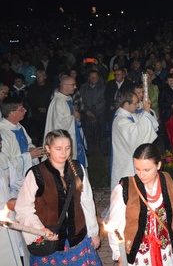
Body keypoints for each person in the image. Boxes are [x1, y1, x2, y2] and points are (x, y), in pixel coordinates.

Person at [15, 129, 102, 265]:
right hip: (50, 241)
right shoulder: (37, 174)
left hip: (77, 237)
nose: (64, 153)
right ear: (48, 149)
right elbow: (23, 208)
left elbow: (87, 201)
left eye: (67, 148)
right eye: (58, 149)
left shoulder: (77, 168)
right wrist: (40, 229)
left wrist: (93, 233)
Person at [107, 143, 173, 266]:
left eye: (147, 170)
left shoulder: (171, 182)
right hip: (138, 255)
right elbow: (115, 227)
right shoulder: (124, 189)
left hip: (165, 251)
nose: (141, 175)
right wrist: (119, 254)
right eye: (137, 169)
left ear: (159, 165)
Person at [111, 91, 158, 190]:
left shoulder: (129, 115)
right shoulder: (120, 121)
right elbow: (136, 136)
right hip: (125, 162)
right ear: (126, 105)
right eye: (135, 103)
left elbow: (141, 122)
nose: (137, 106)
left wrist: (146, 112)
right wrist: (145, 113)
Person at [45, 75, 88, 168]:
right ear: (65, 85)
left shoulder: (68, 98)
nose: (75, 87)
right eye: (73, 85)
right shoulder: (58, 102)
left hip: (74, 135)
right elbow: (59, 124)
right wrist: (73, 117)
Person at [0, 133, 29, 266]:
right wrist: (5, 205)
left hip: (11, 215)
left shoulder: (2, 158)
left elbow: (17, 181)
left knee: (19, 253)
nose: (1, 145)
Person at [0, 97, 45, 179]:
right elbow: (5, 163)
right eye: (21, 109)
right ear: (11, 113)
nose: (25, 110)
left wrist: (31, 149)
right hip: (13, 178)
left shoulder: (18, 126)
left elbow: (28, 143)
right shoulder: (2, 133)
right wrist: (29, 156)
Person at [79, 70, 106, 156]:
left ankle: (102, 151)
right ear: (89, 78)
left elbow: (104, 100)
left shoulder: (103, 87)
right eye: (92, 77)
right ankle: (89, 151)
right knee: (88, 134)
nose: (93, 79)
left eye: (95, 77)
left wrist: (95, 110)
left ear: (98, 78)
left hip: (99, 114)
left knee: (101, 134)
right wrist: (86, 111)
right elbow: (81, 100)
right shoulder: (83, 87)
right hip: (87, 114)